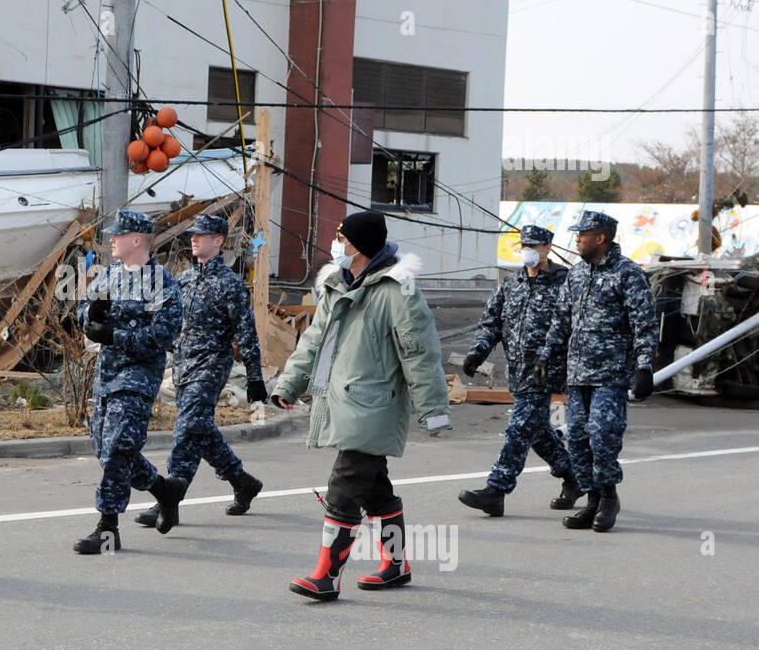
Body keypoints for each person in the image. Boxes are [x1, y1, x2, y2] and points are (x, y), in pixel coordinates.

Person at [271, 211, 451, 601]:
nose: (336, 241)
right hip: (341, 401)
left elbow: (420, 353)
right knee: (375, 490)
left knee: (345, 483)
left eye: (341, 235)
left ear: (358, 245)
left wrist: (433, 411)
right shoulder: (335, 285)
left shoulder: (397, 290)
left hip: (374, 406)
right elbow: (313, 342)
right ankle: (396, 565)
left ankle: (326, 575)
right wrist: (289, 383)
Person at [135, 213, 266, 529]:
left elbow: (246, 332)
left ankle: (169, 495)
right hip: (182, 366)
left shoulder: (230, 284)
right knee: (200, 429)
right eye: (192, 234)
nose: (194, 238)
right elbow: (165, 323)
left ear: (218, 241)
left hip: (211, 366)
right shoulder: (182, 280)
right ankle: (242, 480)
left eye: (202, 235)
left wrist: (255, 377)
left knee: (189, 424)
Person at [533, 210, 657, 533]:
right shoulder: (576, 275)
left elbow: (644, 324)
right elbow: (560, 321)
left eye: (582, 234)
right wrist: (545, 358)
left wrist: (644, 367)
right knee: (576, 438)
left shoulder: (628, 273)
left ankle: (609, 496)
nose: (576, 239)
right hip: (577, 374)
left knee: (601, 434)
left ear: (600, 238)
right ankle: (591, 499)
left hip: (611, 374)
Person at [74, 209, 183, 553]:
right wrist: (89, 318)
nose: (112, 241)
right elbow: (82, 309)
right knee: (106, 449)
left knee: (120, 444)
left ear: (137, 240)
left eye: (118, 236)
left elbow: (162, 336)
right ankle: (164, 490)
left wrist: (115, 335)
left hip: (138, 376)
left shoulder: (163, 283)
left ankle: (108, 529)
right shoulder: (107, 275)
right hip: (106, 377)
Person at [457, 225, 580, 516]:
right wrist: (478, 352)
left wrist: (557, 360)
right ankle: (573, 477)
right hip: (518, 372)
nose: (529, 250)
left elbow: (575, 326)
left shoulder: (566, 283)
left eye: (535, 246)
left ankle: (496, 490)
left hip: (549, 371)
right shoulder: (512, 284)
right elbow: (492, 322)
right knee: (537, 431)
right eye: (525, 245)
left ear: (548, 248)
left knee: (520, 426)